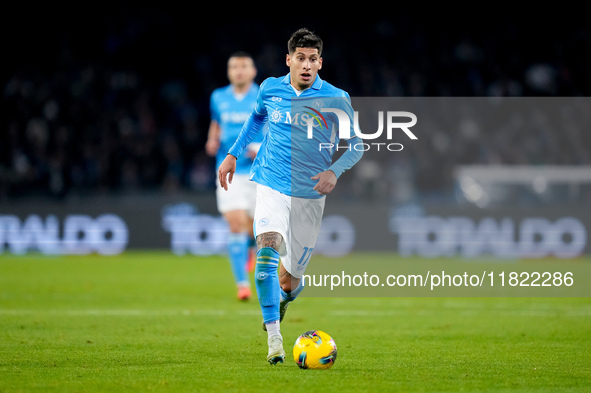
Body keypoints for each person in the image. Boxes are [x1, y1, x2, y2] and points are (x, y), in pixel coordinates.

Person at [218, 28, 363, 365]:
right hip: (270, 184)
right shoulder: (270, 88)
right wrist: (233, 154)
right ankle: (275, 341)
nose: (307, 64)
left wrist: (334, 171)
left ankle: (283, 300)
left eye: (313, 59)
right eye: (301, 58)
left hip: (310, 196)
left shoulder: (336, 98)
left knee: (289, 279)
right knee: (266, 249)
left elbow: (356, 144)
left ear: (320, 62)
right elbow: (255, 120)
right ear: (289, 60)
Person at [206, 51, 265, 301]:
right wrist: (212, 137)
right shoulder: (218, 97)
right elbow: (217, 121)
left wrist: (259, 147)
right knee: (235, 223)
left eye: (244, 66)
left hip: (259, 171)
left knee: (254, 228)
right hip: (228, 169)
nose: (238, 71)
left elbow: (275, 126)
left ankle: (250, 249)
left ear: (253, 72)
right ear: (229, 72)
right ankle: (242, 284)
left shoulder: (263, 95)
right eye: (234, 67)